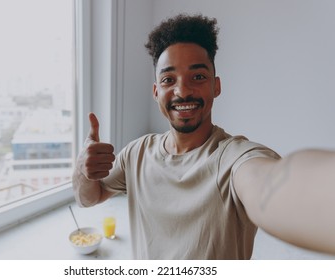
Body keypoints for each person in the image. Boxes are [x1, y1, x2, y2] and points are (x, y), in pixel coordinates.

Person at [73, 14, 335, 259]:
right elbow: (88, 198)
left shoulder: (233, 160)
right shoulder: (136, 153)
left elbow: (271, 184)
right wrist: (84, 171)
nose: (182, 91)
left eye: (197, 76)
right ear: (156, 92)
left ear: (216, 86)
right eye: (168, 80)